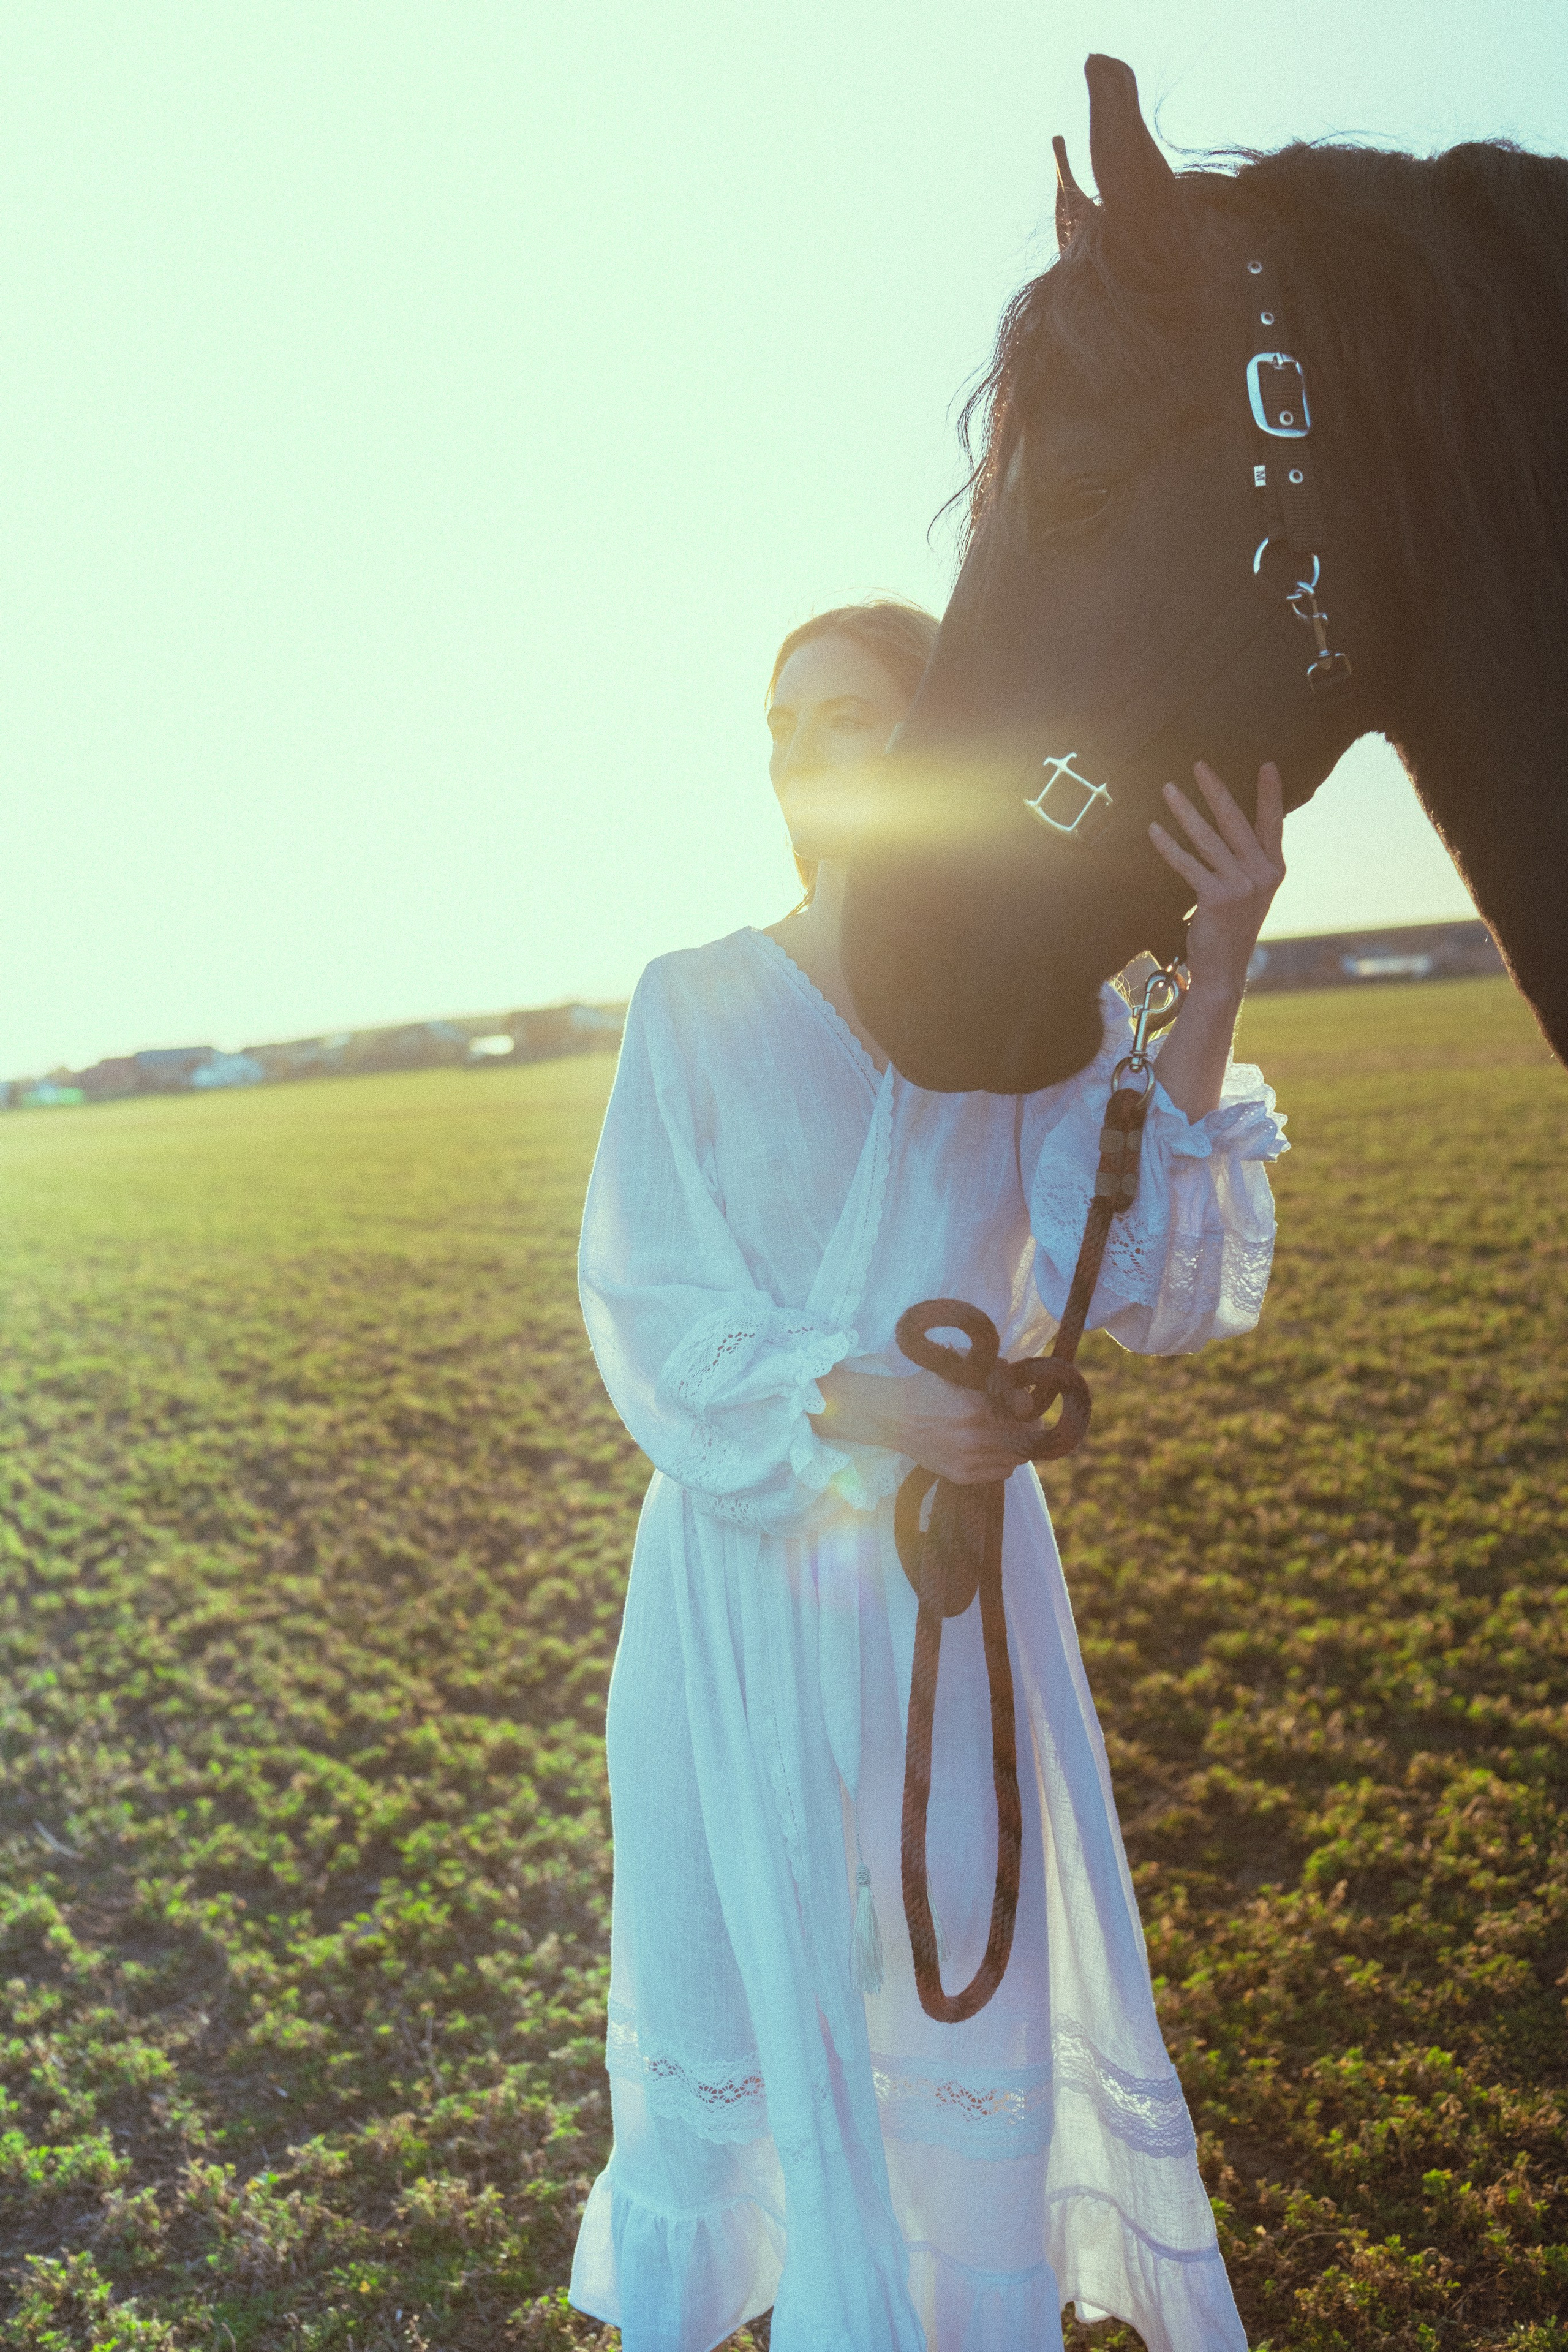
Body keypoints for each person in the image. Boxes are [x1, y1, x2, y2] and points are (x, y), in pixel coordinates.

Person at [568, 598, 1287, 2351]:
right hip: (742, 1575)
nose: (813, 753)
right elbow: (651, 1305)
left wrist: (1218, 962)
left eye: (857, 717)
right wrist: (874, 1402)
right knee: (756, 1967)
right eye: (786, 725)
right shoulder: (694, 1001)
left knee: (959, 1994)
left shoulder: (1048, 1013)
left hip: (956, 1586)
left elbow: (1146, 1285)